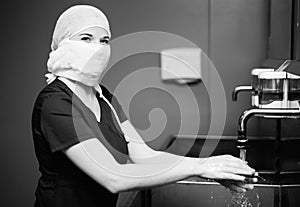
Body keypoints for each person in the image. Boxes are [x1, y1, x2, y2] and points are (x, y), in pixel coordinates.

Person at [31, 4, 258, 207]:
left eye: (104, 41)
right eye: (86, 39)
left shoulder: (105, 99)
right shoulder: (55, 103)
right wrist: (202, 167)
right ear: (62, 45)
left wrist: (209, 167)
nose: (97, 48)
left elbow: (146, 156)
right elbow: (114, 177)